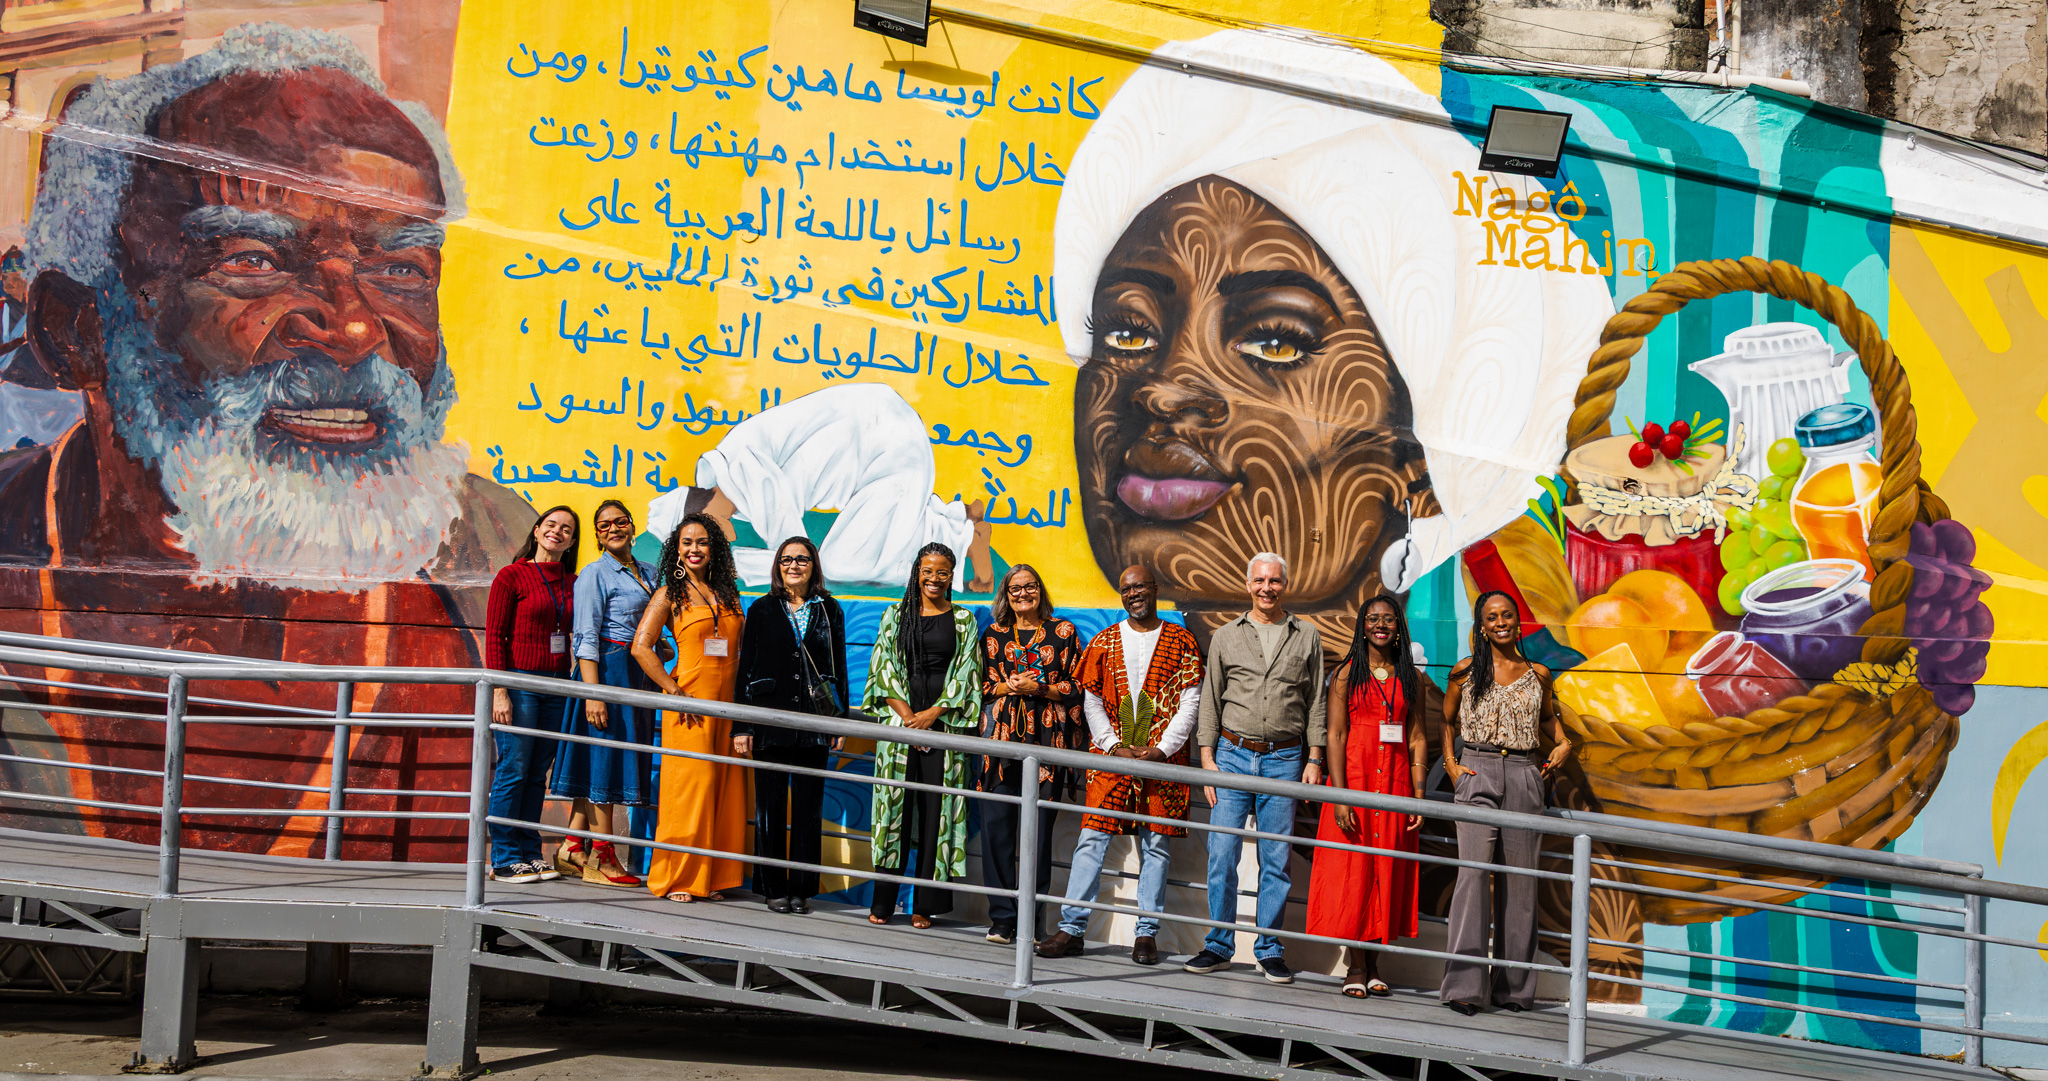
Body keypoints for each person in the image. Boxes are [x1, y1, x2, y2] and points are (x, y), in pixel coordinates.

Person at [0, 26, 533, 860]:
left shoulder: (496, 557)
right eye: (253, 259)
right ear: (77, 330)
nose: (353, 327)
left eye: (401, 272)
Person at [1050, 29, 1608, 661]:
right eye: (1127, 330)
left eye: (1275, 343)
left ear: (1424, 458)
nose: (1162, 387)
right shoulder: (1131, 684)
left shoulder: (1422, 721)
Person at [645, 384, 994, 591]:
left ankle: (963, 538)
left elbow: (796, 552)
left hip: (891, 445)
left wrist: (733, 566)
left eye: (701, 541)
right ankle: (955, 520)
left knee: (840, 564)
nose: (707, 547)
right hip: (883, 444)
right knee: (882, 534)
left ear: (705, 517)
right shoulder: (738, 480)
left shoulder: (743, 467)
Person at [1037, 564, 1203, 966]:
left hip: (1163, 760)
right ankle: (1072, 928)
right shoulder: (1104, 641)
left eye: (1140, 586)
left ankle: (1146, 934)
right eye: (1127, 589)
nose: (1134, 594)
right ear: (1121, 594)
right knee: (1092, 839)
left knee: (1156, 844)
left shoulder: (1181, 641)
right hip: (1110, 759)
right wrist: (1112, 746)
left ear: (1155, 589)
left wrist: (1163, 750)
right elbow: (1091, 699)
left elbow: (1191, 700)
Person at [1184, 553, 1326, 983]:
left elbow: (1317, 698)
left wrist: (1315, 757)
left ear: (1286, 584)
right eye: (1260, 580)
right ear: (1248, 584)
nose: (1267, 587)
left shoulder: (1306, 636)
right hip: (1231, 756)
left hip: (1285, 760)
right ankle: (1219, 944)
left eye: (1275, 580)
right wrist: (1206, 758)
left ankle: (1268, 948)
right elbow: (1211, 697)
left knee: (1276, 860)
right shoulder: (1227, 636)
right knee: (1222, 853)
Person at [1439, 590, 1573, 1015]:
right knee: (1473, 878)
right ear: (1481, 626)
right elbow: (1445, 720)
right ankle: (1464, 987)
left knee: (1520, 884)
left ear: (1519, 622)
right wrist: (1451, 764)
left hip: (1523, 774)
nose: (1501, 622)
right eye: (1492, 616)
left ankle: (1513, 989)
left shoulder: (1539, 673)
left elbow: (1549, 720)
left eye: (1508, 615)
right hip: (1476, 770)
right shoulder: (1465, 672)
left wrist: (1564, 743)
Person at [1306, 595, 1429, 998]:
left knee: (1385, 873)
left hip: (1394, 788)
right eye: (1373, 619)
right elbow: (1336, 735)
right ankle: (1355, 966)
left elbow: (1416, 736)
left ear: (1399, 627)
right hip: (1354, 787)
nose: (1381, 625)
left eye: (1388, 619)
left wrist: (1420, 794)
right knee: (1355, 875)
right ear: (1363, 626)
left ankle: (1375, 964)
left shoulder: (1410, 678)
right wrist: (1339, 796)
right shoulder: (1345, 675)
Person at [863, 542, 982, 928]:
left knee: (936, 816)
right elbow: (883, 668)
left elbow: (967, 674)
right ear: (917, 572)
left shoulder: (964, 620)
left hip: (943, 729)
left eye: (942, 571)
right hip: (900, 730)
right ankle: (882, 902)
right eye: (927, 571)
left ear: (952, 575)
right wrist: (910, 720)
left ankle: (923, 906)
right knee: (893, 812)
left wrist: (932, 716)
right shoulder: (895, 615)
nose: (934, 578)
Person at [633, 513, 750, 903]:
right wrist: (671, 689)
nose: (694, 549)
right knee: (690, 791)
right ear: (677, 550)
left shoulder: (729, 594)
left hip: (728, 710)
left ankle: (713, 876)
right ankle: (678, 877)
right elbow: (641, 647)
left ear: (713, 548)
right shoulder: (669, 594)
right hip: (690, 709)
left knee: (724, 790)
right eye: (687, 542)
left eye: (702, 542)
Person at [734, 536, 847, 915]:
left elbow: (838, 668)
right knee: (769, 811)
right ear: (777, 566)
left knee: (808, 811)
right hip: (769, 721)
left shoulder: (829, 609)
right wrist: (742, 726)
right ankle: (772, 888)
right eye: (786, 560)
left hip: (814, 725)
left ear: (813, 565)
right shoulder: (762, 609)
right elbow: (745, 667)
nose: (794, 565)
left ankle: (801, 889)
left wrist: (839, 721)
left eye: (802, 559)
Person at [975, 563, 1084, 946]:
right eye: (1015, 588)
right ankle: (1002, 920)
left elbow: (1075, 688)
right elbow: (981, 689)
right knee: (997, 832)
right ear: (1005, 594)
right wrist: (1009, 686)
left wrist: (1038, 687)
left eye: (1030, 586)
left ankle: (1031, 922)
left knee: (1037, 838)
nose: (1023, 593)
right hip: (1000, 748)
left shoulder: (1063, 632)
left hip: (1047, 745)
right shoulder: (992, 635)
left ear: (1041, 591)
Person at [555, 499, 655, 888]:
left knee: (604, 758)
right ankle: (603, 856)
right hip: (605, 671)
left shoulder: (648, 571)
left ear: (632, 526)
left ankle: (572, 846)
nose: (613, 528)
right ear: (596, 536)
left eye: (620, 521)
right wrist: (592, 694)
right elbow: (585, 637)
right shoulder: (594, 574)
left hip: (635, 672)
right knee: (604, 760)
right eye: (603, 525)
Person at [483, 506, 580, 884]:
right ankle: (505, 857)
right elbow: (495, 636)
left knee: (537, 773)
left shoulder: (572, 582)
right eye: (551, 525)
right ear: (537, 531)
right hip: (520, 683)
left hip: (555, 686)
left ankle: (529, 851)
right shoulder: (512, 576)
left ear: (572, 541)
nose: (557, 532)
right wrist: (500, 689)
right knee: (514, 767)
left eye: (566, 529)